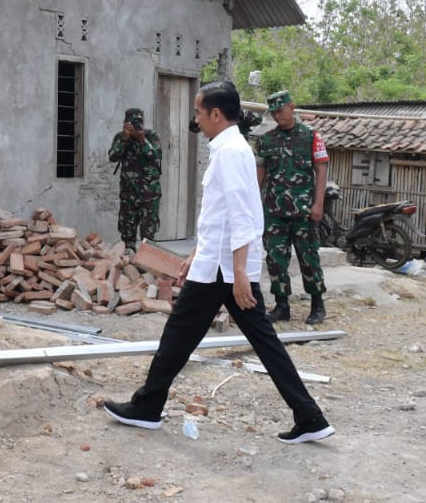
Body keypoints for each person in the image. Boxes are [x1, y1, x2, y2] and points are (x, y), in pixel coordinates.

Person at [103, 80, 335, 445]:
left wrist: (241, 273)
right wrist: (197, 253)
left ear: (215, 113)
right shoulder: (227, 147)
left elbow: (243, 215)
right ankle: (309, 415)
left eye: (198, 111)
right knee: (253, 340)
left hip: (225, 270)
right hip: (219, 264)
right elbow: (220, 214)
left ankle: (147, 406)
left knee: (179, 334)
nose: (196, 118)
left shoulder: (231, 151)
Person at [258, 90, 329, 325]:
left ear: (292, 107)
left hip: (304, 211)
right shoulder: (266, 140)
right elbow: (260, 176)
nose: (278, 116)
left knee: (309, 257)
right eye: (274, 112)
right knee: (275, 259)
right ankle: (281, 306)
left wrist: (318, 204)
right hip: (274, 212)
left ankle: (317, 305)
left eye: (281, 110)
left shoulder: (311, 137)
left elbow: (321, 171)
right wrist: (255, 208)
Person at [107, 108, 163, 250]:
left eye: (139, 122)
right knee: (127, 232)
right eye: (132, 122)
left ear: (143, 122)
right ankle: (128, 262)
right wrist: (125, 138)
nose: (136, 125)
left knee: (148, 235)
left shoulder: (151, 136)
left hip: (149, 194)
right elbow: (113, 157)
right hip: (128, 194)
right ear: (125, 123)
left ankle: (146, 265)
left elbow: (155, 156)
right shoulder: (121, 137)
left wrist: (142, 139)